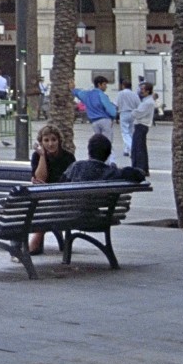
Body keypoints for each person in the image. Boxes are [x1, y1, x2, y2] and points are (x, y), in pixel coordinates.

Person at [27, 124, 76, 255]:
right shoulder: (37, 156)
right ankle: (32, 243)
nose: (50, 144)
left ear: (59, 141)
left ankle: (34, 243)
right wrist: (42, 156)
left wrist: (47, 186)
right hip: (44, 198)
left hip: (63, 199)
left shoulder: (68, 158)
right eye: (46, 140)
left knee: (44, 208)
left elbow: (67, 181)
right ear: (41, 142)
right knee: (38, 206)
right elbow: (40, 177)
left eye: (54, 139)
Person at [63, 134, 141, 182]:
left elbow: (61, 181)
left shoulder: (76, 167)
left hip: (75, 206)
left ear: (89, 151)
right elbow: (139, 174)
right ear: (108, 155)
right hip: (102, 204)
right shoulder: (111, 172)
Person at [74, 76, 117, 144]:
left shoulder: (87, 94)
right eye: (104, 84)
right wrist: (113, 116)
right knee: (107, 142)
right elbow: (110, 110)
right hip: (105, 120)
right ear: (99, 84)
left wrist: (72, 88)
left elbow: (77, 92)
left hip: (94, 122)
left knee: (98, 142)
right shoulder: (102, 95)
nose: (106, 86)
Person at [131, 83, 157, 178]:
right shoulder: (146, 101)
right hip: (141, 125)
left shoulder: (148, 102)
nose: (141, 91)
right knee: (139, 147)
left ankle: (140, 168)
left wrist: (132, 112)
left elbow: (138, 113)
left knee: (138, 148)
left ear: (148, 91)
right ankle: (142, 168)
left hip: (141, 125)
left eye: (143, 89)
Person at [115, 80, 140, 158]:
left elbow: (116, 104)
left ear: (123, 85)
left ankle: (132, 148)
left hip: (124, 113)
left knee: (125, 132)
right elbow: (139, 104)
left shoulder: (120, 94)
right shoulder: (134, 94)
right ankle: (126, 150)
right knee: (131, 131)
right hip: (133, 113)